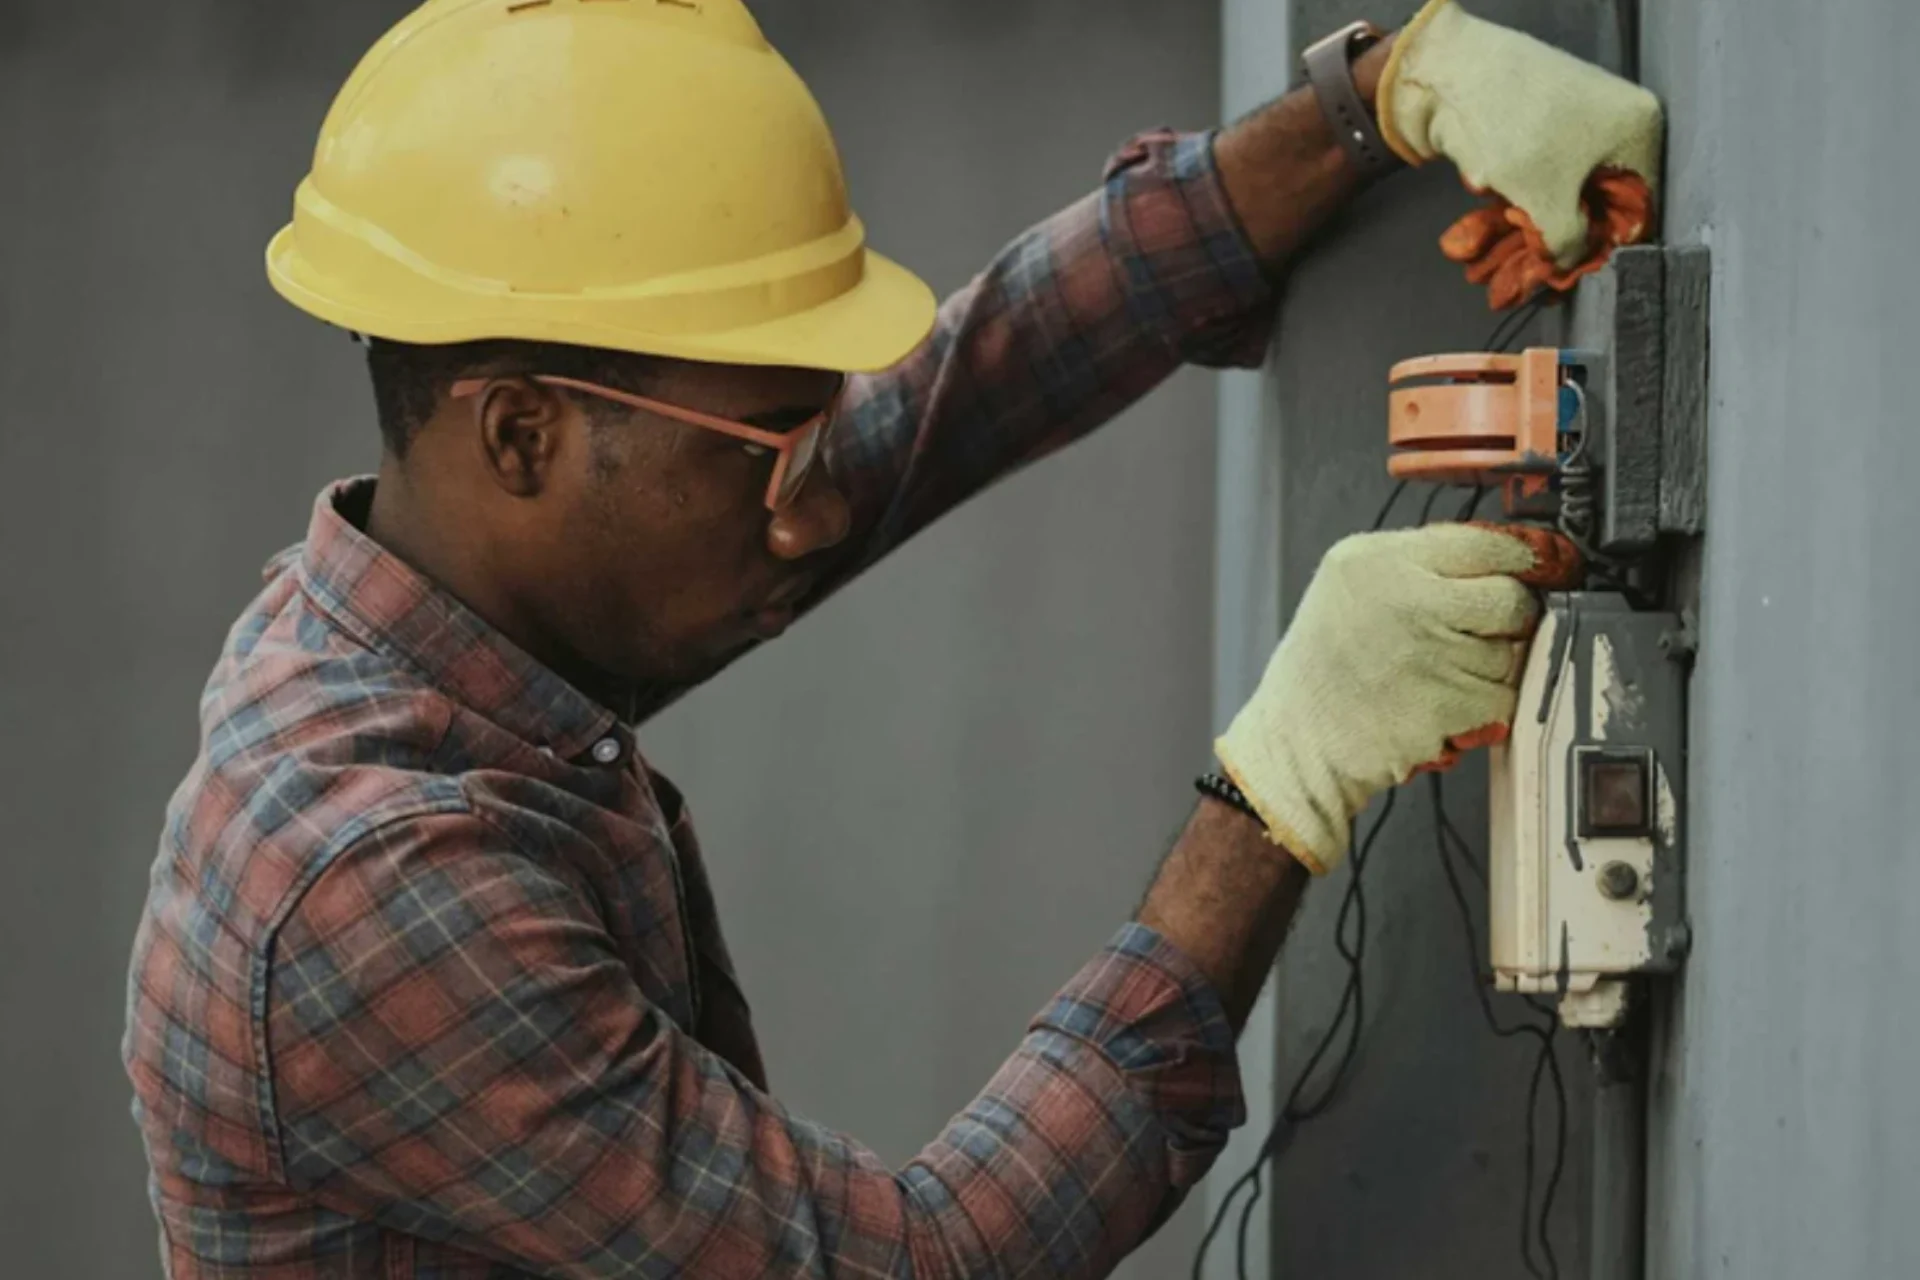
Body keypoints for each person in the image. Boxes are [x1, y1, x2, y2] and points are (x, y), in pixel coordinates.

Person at [123, 1, 1660, 1275]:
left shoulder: (441, 613)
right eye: (767, 455)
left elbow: (960, 390)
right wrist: (1279, 789)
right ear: (522, 434)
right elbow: (918, 1265)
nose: (806, 516)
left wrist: (1380, 96)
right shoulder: (368, 885)